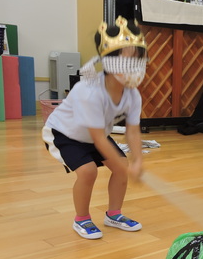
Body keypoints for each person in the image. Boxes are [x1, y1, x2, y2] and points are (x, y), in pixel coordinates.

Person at [42, 17, 147, 240]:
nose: (134, 68)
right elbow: (98, 139)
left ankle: (114, 215)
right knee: (88, 171)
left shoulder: (132, 94)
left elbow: (133, 130)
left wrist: (137, 160)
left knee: (121, 166)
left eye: (138, 61)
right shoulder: (89, 91)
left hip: (94, 134)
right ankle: (81, 218)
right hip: (64, 133)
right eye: (127, 61)